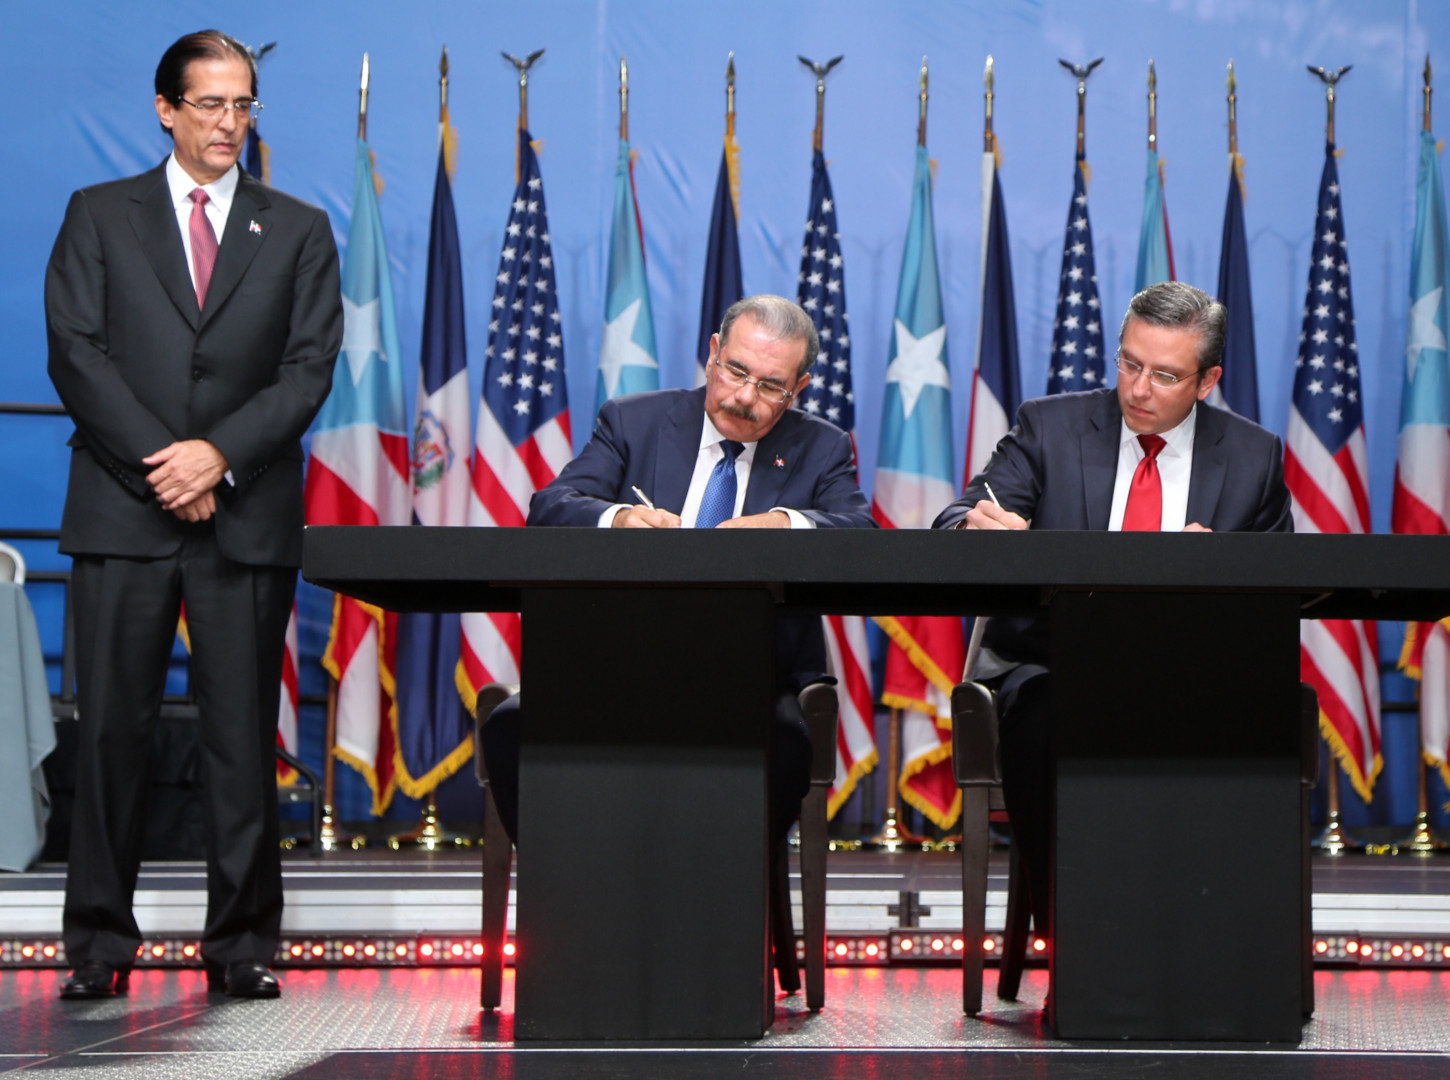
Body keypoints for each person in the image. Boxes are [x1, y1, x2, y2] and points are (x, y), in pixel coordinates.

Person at [44, 31, 341, 1000]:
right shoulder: (99, 214)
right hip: (122, 513)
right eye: (210, 104)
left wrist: (219, 456)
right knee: (111, 735)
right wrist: (168, 466)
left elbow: (308, 368)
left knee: (241, 737)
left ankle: (243, 945)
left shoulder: (296, 228)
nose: (229, 122)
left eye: (243, 104)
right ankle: (97, 945)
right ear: (166, 110)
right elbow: (76, 352)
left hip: (244, 517)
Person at [933, 281, 1293, 949]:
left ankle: (1223, 946)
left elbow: (1280, 597)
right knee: (1042, 710)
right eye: (1129, 363)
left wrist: (1222, 572)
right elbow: (957, 516)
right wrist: (978, 527)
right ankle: (1075, 944)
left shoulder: (1253, 457)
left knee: (1265, 709)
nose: (1139, 389)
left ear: (1208, 381)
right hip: (1054, 664)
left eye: (1166, 375)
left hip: (1193, 674)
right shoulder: (1051, 426)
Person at [478, 294, 873, 855]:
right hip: (615, 667)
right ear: (713, 352)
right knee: (510, 727)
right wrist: (618, 518)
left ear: (799, 388)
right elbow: (552, 506)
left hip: (753, 677)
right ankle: (572, 881)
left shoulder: (822, 447)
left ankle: (727, 896)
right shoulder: (634, 420)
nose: (744, 397)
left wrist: (786, 524)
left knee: (784, 745)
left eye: (771, 386)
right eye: (736, 371)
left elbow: (859, 533)